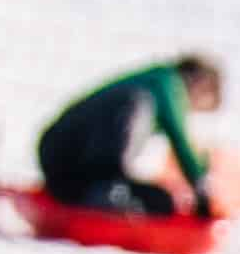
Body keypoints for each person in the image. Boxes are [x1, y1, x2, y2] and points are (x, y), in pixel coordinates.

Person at [35, 54, 223, 222]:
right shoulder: (167, 82)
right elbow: (179, 136)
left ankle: (101, 189)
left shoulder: (153, 79)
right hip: (71, 162)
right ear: (200, 85)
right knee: (138, 102)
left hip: (61, 164)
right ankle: (103, 192)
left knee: (161, 200)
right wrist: (199, 182)